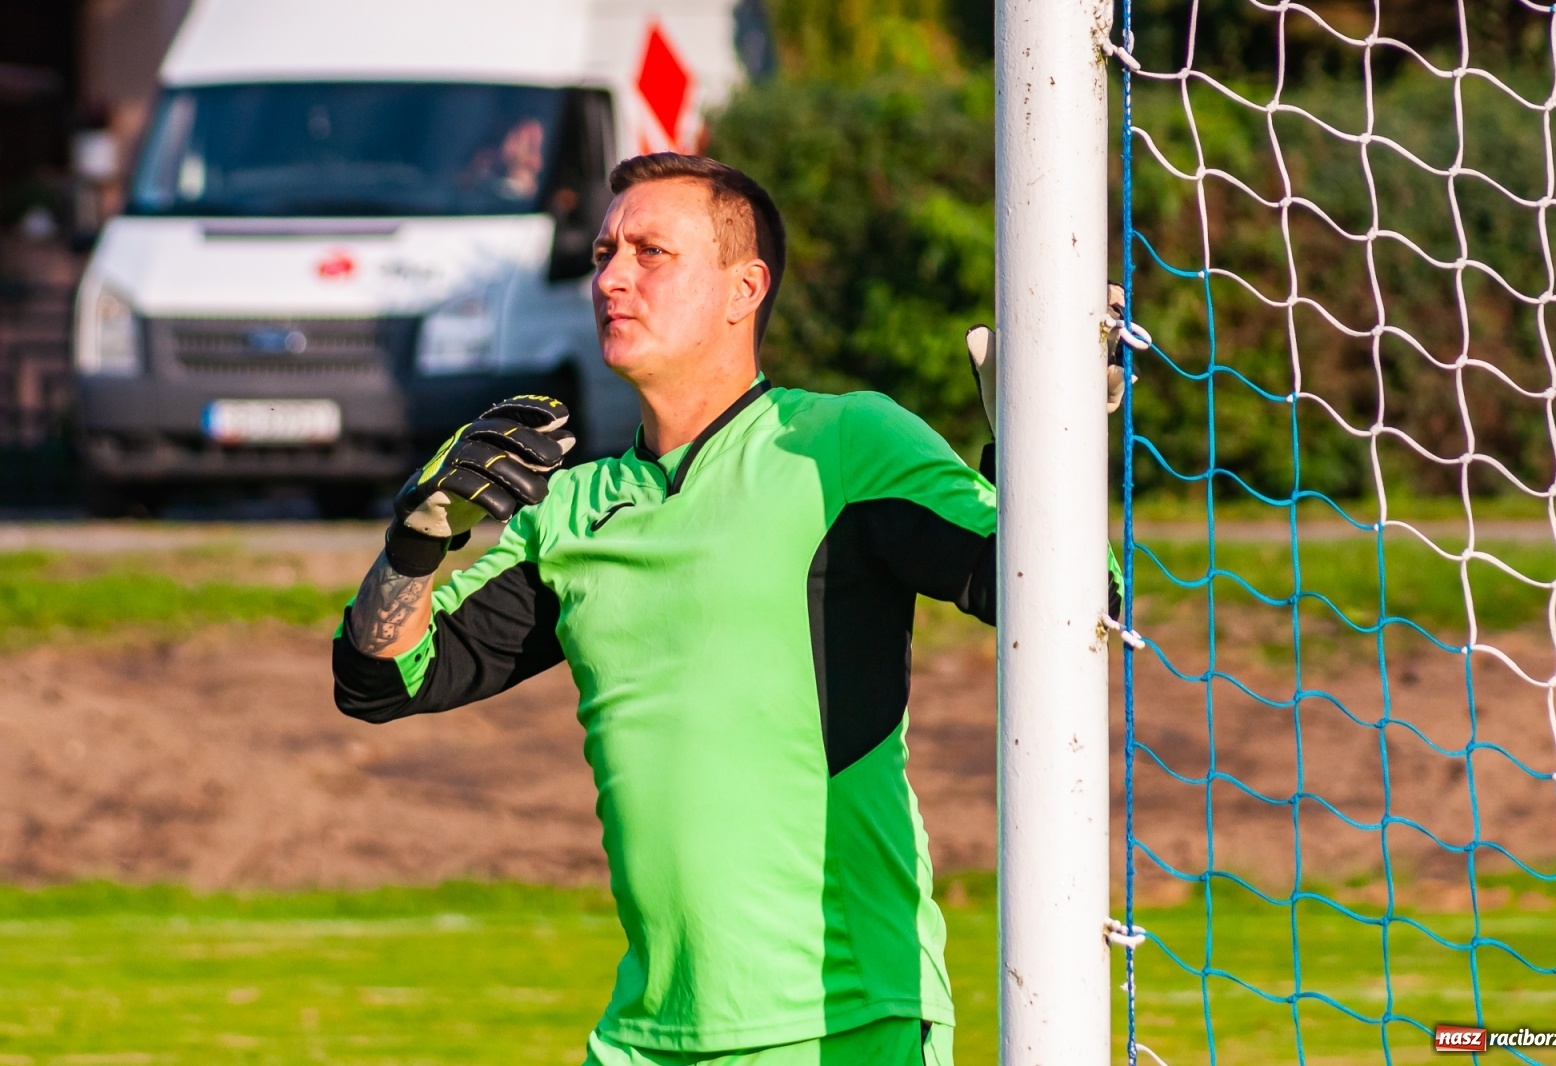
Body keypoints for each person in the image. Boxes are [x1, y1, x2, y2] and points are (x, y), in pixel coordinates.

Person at [331, 152, 1114, 1065]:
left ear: (745, 289)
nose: (612, 276)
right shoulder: (571, 511)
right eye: (603, 252)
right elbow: (379, 680)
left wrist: (1042, 449)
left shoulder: (842, 445)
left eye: (651, 252)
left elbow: (1075, 600)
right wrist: (417, 544)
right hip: (643, 1040)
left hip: (844, 1021)